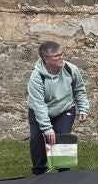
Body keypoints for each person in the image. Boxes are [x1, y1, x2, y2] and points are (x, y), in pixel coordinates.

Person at [27, 40, 90, 175]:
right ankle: (39, 172)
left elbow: (79, 89)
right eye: (56, 56)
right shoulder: (36, 77)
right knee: (37, 139)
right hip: (40, 110)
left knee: (62, 137)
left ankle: (64, 173)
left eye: (61, 54)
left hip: (64, 108)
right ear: (45, 59)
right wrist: (47, 129)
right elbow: (39, 105)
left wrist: (83, 108)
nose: (61, 57)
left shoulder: (70, 69)